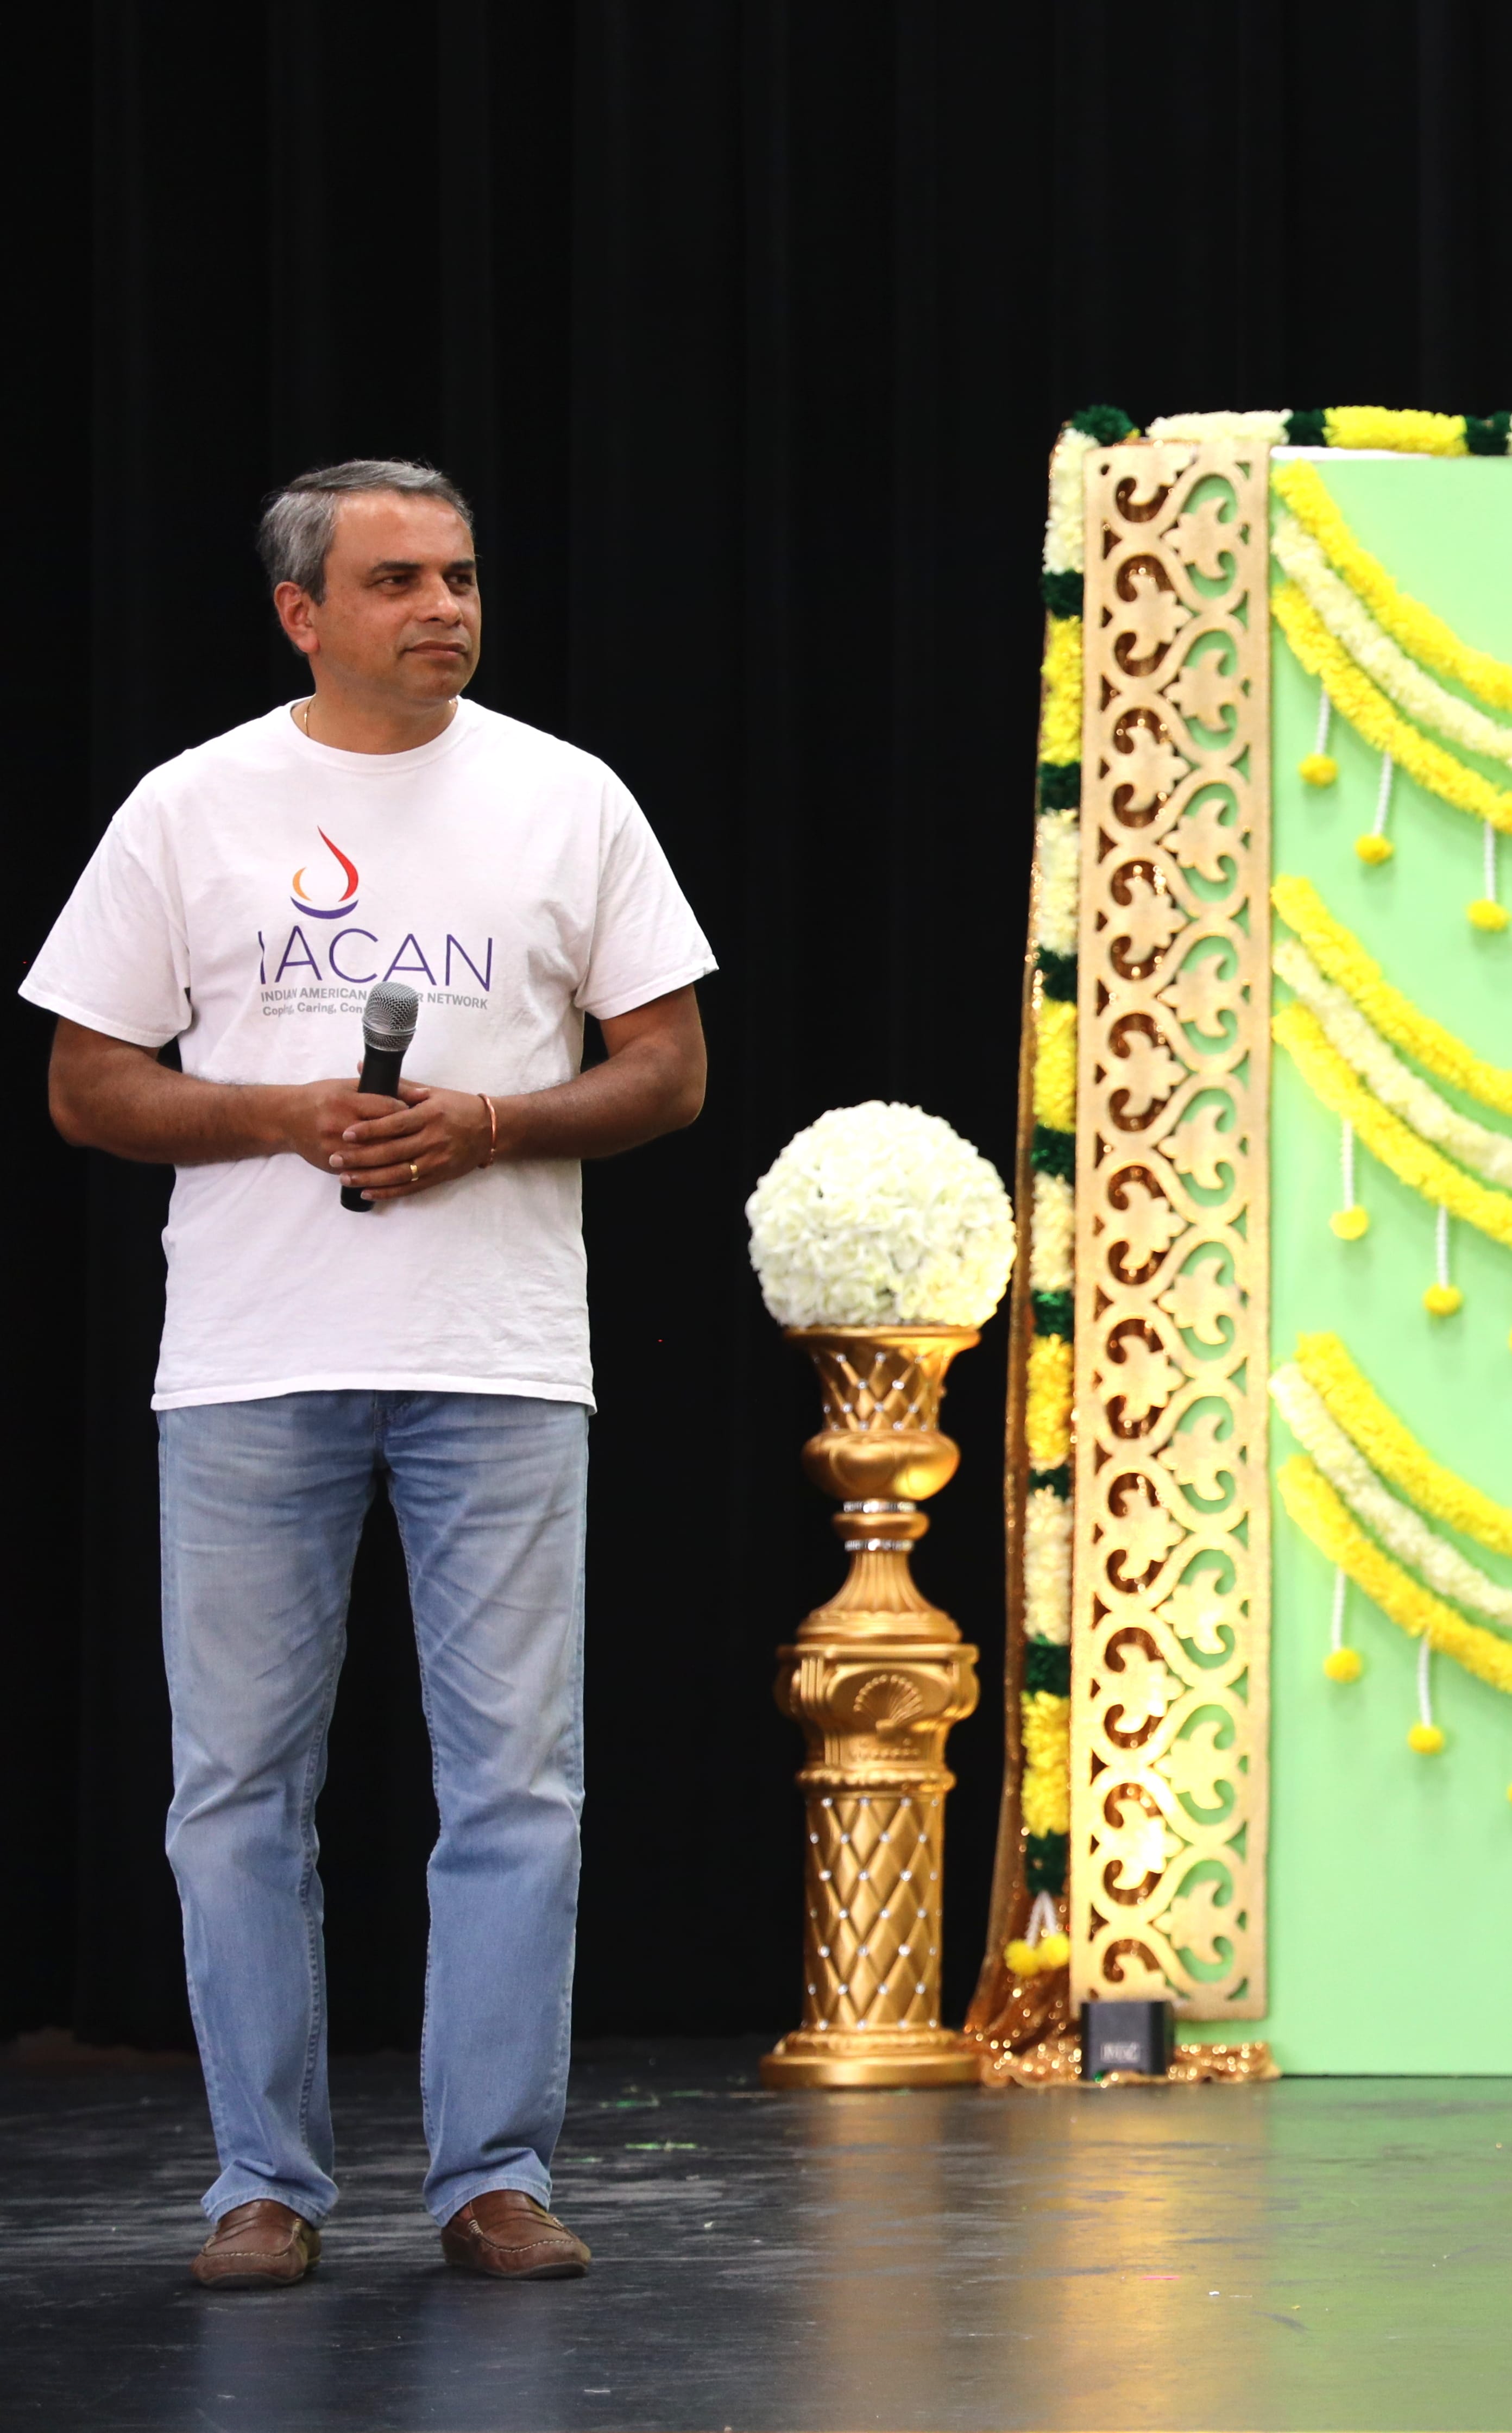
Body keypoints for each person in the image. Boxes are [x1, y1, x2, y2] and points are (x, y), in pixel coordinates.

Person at [24, 460, 714, 2288]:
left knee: (518, 1786)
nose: (446, 609)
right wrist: (279, 1114)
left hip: (499, 1355)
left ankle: (495, 2175)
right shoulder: (194, 805)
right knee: (237, 1788)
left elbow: (670, 1067)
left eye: (462, 577)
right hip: (255, 1359)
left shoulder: (568, 796)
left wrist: (495, 1124)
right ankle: (262, 2184)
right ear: (300, 613)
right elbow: (87, 1083)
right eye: (398, 580)